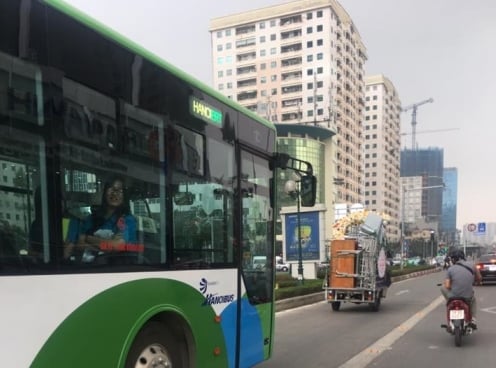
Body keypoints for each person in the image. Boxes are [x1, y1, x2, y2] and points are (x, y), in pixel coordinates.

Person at [65, 176, 137, 261]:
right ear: (104, 192)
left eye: (120, 191)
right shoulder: (91, 218)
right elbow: (80, 244)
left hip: (116, 269)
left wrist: (88, 238)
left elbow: (117, 246)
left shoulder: (128, 220)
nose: (114, 194)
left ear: (124, 196)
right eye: (111, 189)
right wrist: (107, 246)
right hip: (89, 268)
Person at [440, 249, 481, 328]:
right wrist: (477, 282)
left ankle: (449, 302)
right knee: (473, 300)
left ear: (453, 259)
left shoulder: (450, 269)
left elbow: (447, 286)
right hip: (467, 297)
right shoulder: (472, 265)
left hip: (453, 297)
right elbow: (479, 278)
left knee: (442, 288)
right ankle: (473, 319)